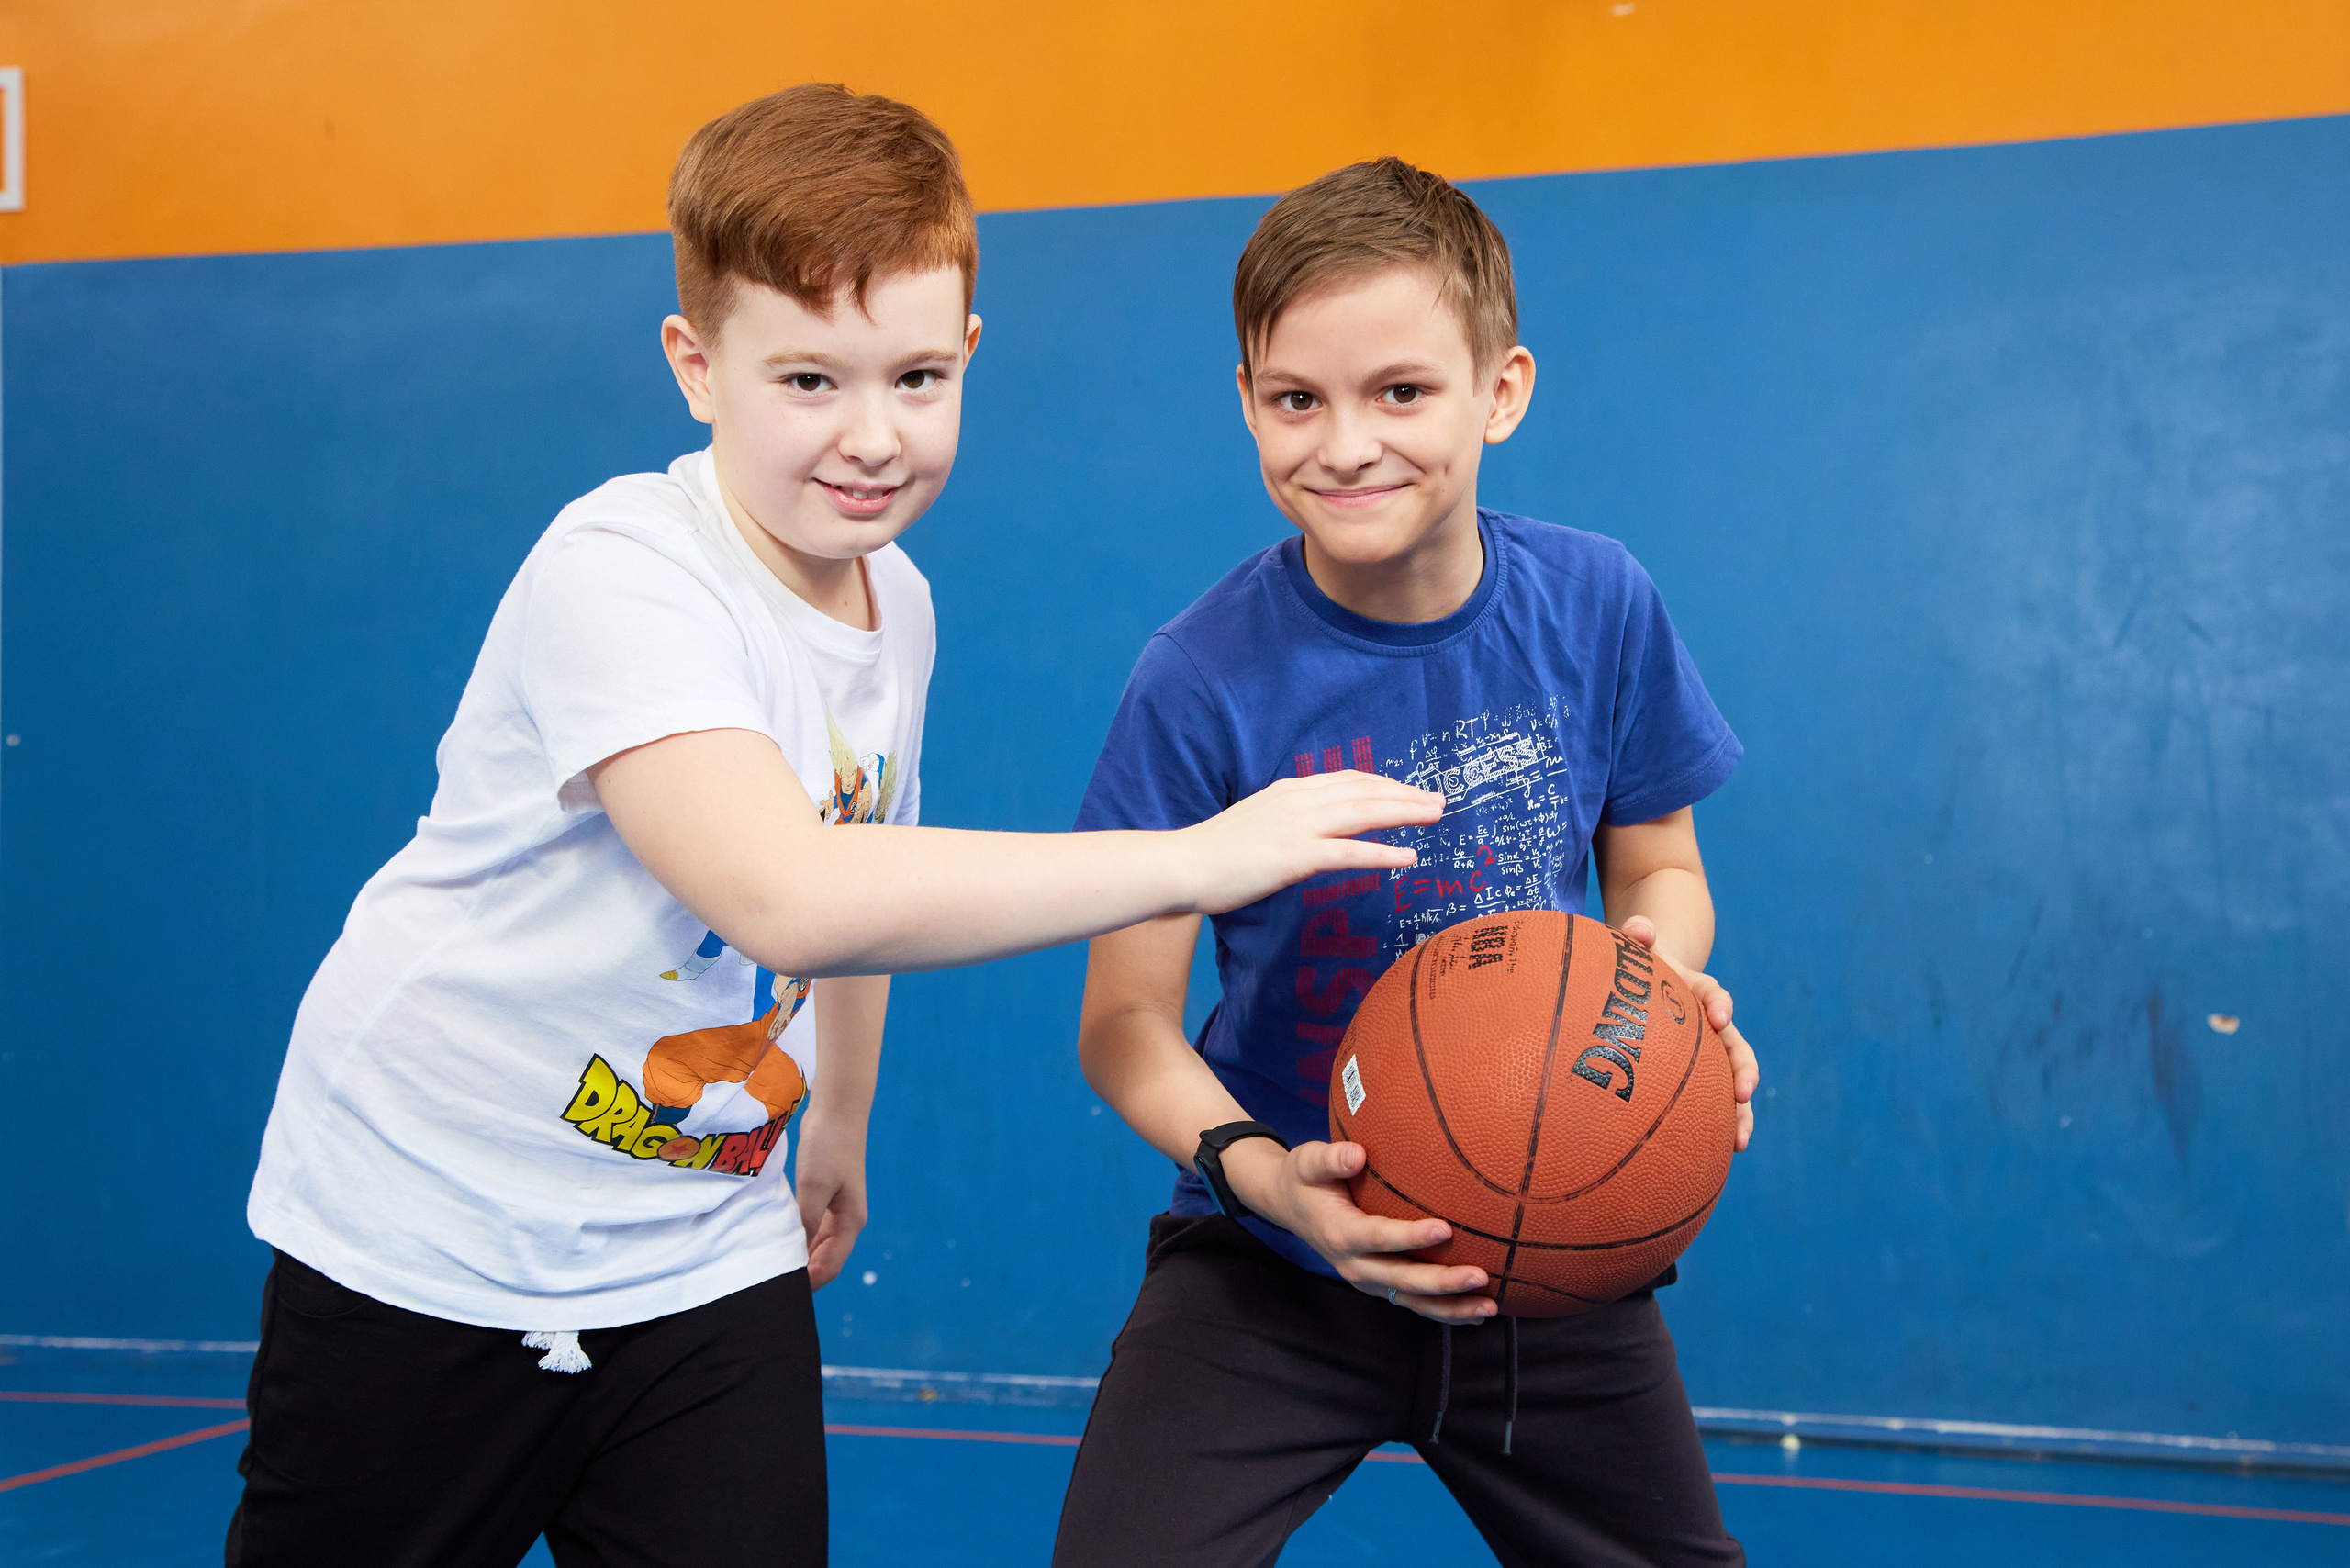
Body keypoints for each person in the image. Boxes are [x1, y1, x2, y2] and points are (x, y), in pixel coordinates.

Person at [228, 87, 1439, 1568]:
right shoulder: (620, 570)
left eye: (918, 377)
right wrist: (1205, 854)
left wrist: (840, 1116)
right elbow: (787, 894)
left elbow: (864, 863)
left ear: (968, 358)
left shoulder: (895, 601)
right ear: (696, 365)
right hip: (433, 1236)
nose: (874, 437)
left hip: (697, 1246)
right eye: (809, 380)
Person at [1056, 157, 1760, 1567]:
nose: (1345, 444)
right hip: (1275, 1257)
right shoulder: (1200, 679)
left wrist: (1657, 991)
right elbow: (1124, 1026)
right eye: (1294, 399)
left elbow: (1664, 878)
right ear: (1248, 399)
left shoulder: (1597, 602)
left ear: (1500, 391)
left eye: (1402, 392)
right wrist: (1261, 1177)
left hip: (1544, 1247)